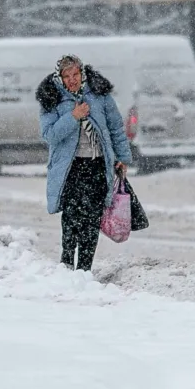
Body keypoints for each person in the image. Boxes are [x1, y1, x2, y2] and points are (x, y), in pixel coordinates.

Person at [36, 55, 133, 272]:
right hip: (71, 169)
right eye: (67, 76)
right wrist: (73, 116)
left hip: (97, 165)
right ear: (59, 78)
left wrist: (122, 158)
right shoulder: (51, 98)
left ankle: (84, 271)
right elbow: (50, 135)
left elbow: (115, 127)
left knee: (91, 221)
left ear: (83, 73)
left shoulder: (99, 94)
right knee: (71, 219)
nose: (72, 80)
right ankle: (67, 266)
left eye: (76, 74)